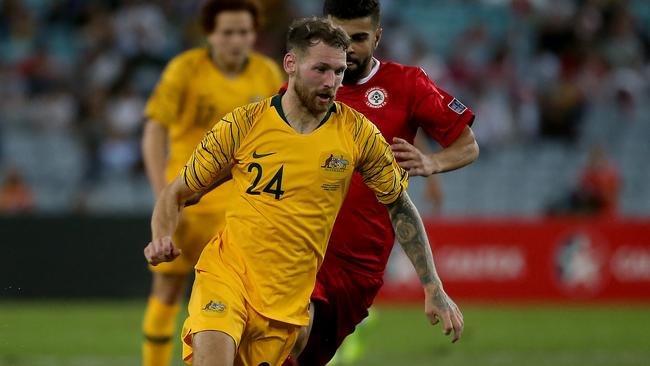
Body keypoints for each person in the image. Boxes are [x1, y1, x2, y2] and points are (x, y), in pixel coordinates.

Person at [144, 17, 463, 366]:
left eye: (339, 72)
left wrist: (433, 287)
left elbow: (399, 206)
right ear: (291, 64)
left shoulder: (358, 135)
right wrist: (161, 237)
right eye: (321, 69)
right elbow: (177, 192)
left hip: (287, 302)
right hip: (227, 275)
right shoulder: (244, 124)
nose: (331, 83)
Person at [286, 1, 479, 365]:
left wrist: (431, 162)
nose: (348, 48)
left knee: (303, 357)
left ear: (377, 36)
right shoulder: (301, 87)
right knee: (281, 336)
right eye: (339, 37)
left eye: (358, 38)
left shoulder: (407, 84)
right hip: (300, 247)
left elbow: (467, 145)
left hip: (359, 266)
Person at [140, 1, 283, 365]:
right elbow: (155, 129)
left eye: (244, 32)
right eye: (228, 32)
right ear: (210, 34)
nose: (237, 40)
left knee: (248, 301)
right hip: (188, 204)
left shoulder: (266, 74)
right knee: (168, 288)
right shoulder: (185, 70)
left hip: (239, 210)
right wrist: (163, 195)